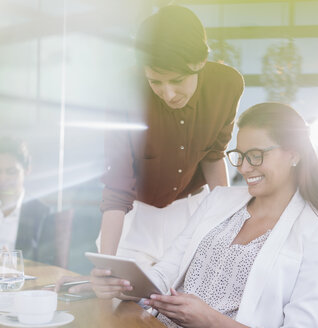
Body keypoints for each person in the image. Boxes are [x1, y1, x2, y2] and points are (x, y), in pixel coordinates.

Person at [86, 103, 318, 327]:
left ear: (294, 154)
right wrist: (122, 285)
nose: (243, 167)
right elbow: (167, 271)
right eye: (239, 155)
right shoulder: (219, 200)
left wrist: (210, 320)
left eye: (255, 155)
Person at [98, 5, 244, 268]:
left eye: (177, 80)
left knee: (185, 302)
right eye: (156, 82)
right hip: (134, 216)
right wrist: (105, 266)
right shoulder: (123, 89)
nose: (168, 94)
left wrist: (225, 224)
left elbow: (213, 156)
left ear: (200, 62)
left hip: (193, 210)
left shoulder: (227, 85)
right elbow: (117, 186)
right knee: (121, 296)